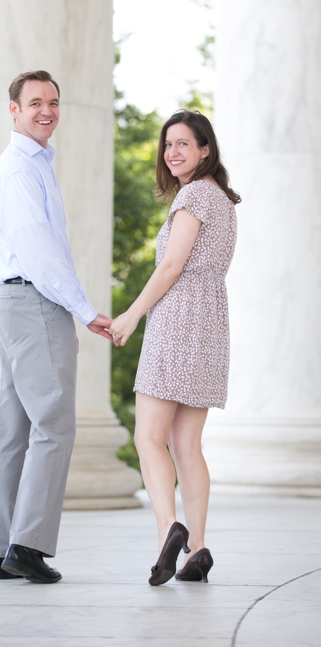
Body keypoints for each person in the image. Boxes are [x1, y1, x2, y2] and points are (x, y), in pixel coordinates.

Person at [0, 70, 114, 584]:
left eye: (54, 102)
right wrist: (82, 309)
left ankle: (1, 550)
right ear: (12, 109)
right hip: (31, 297)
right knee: (54, 426)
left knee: (14, 429)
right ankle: (26, 545)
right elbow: (40, 252)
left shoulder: (31, 163)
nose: (47, 110)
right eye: (35, 102)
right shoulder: (20, 169)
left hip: (14, 300)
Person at [108, 110, 239, 586]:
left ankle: (170, 529)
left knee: (148, 436)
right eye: (168, 145)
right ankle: (198, 551)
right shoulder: (223, 199)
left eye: (184, 143)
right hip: (210, 324)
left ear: (206, 149)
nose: (174, 152)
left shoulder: (195, 194)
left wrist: (131, 314)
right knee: (186, 445)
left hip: (179, 318)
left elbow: (170, 268)